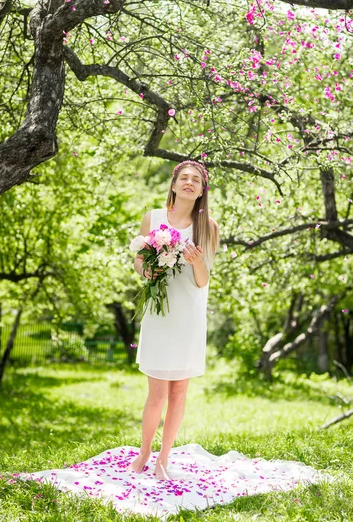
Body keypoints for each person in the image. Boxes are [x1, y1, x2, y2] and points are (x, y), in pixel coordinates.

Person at [130, 160, 219, 480]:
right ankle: (144, 452)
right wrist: (146, 270)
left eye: (196, 180)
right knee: (156, 391)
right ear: (173, 184)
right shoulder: (152, 218)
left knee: (179, 390)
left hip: (189, 314)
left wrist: (196, 262)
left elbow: (203, 280)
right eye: (184, 178)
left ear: (201, 190)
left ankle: (163, 459)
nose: (189, 183)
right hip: (160, 313)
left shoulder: (208, 226)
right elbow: (139, 261)